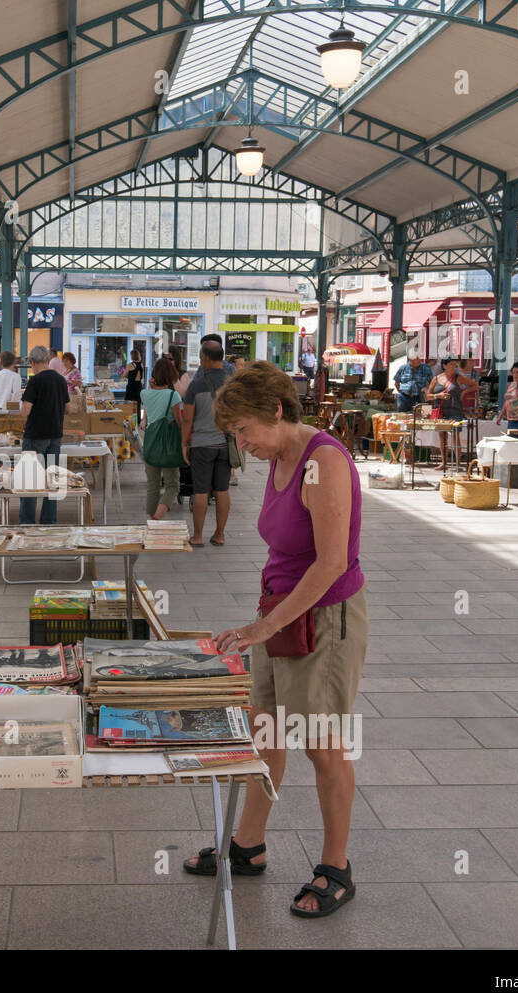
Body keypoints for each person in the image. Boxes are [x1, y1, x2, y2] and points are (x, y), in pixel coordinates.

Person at [183, 361, 366, 920]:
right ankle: (248, 846)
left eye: (245, 432)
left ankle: (336, 867)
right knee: (264, 733)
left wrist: (267, 625)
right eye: (234, 434)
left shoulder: (324, 461)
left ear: (278, 412)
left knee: (323, 745)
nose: (241, 445)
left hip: (322, 622)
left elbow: (332, 562)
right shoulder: (281, 456)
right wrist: (264, 620)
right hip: (280, 614)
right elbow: (287, 547)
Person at [181, 335, 232, 546]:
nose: (200, 360)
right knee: (222, 489)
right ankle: (220, 534)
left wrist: (184, 444)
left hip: (202, 444)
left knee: (200, 490)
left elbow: (187, 418)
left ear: (206, 359)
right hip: (225, 443)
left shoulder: (197, 385)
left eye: (201, 357)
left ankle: (198, 536)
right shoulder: (232, 385)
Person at [19, 344, 70, 524]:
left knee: (30, 482)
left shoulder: (35, 381)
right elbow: (69, 408)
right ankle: (49, 522)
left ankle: (28, 523)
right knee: (52, 481)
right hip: (55, 435)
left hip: (35, 437)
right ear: (48, 360)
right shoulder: (60, 380)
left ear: (32, 362)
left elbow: (25, 411)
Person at [141, 356, 184, 520]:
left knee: (153, 485)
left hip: (151, 442)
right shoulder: (173, 395)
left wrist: (151, 385)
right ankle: (157, 518)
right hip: (167, 445)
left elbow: (148, 414)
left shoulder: (144, 393)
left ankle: (151, 521)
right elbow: (178, 422)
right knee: (172, 485)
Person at [424, 357, 475, 470]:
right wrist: (438, 396)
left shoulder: (459, 377)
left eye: (454, 364)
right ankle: (444, 463)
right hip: (441, 410)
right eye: (451, 364)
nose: (453, 367)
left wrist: (463, 393)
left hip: (455, 410)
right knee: (442, 437)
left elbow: (474, 385)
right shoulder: (436, 379)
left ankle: (457, 464)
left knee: (456, 436)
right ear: (444, 366)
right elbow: (428, 396)